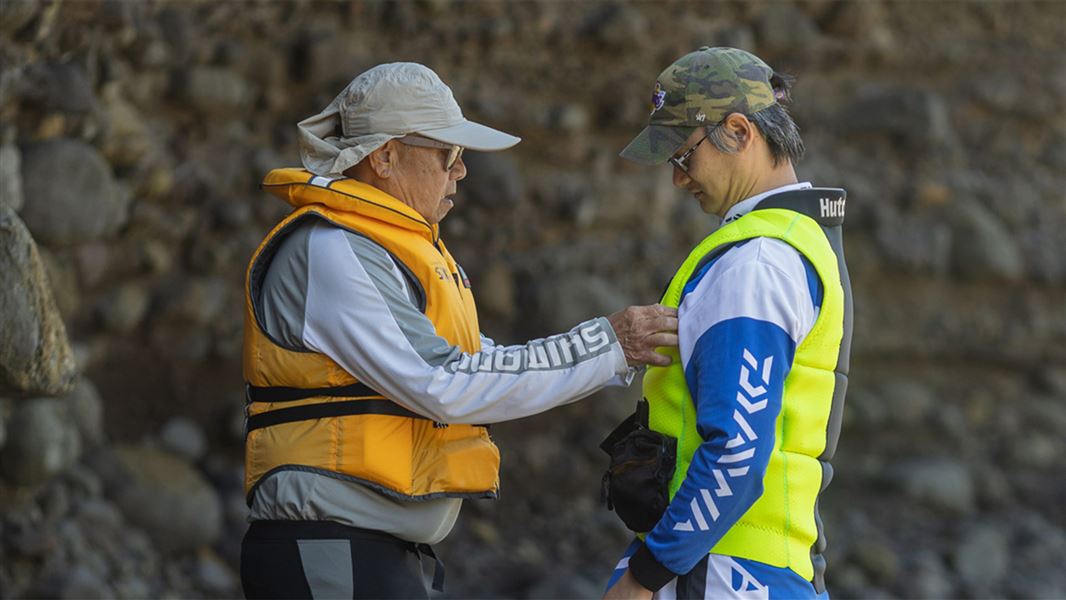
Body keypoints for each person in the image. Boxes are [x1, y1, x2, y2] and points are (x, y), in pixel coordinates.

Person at [239, 62, 679, 599]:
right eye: (448, 153)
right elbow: (444, 381)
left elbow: (475, 360)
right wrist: (608, 344)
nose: (461, 171)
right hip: (331, 550)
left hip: (375, 551)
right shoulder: (331, 249)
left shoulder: (382, 247)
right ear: (384, 156)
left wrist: (612, 353)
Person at [602, 47, 853, 599]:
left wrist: (643, 578)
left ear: (739, 132)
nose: (678, 180)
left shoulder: (757, 262)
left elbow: (736, 453)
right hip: (757, 568)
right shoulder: (795, 244)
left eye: (682, 158)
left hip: (719, 573)